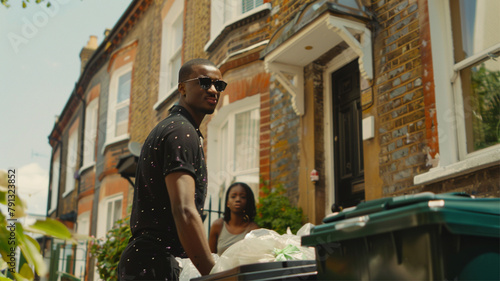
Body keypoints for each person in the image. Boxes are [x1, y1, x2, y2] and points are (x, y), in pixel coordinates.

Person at [118, 58, 228, 280]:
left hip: (149, 263)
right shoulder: (181, 131)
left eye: (220, 85)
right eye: (205, 82)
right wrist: (215, 275)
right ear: (182, 88)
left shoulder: (174, 128)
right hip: (154, 266)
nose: (214, 89)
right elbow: (185, 211)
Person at [209, 182, 259, 255]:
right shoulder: (218, 225)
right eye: (233, 196)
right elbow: (211, 256)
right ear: (227, 203)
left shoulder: (253, 230)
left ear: (248, 202)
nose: (238, 199)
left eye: (243, 197)